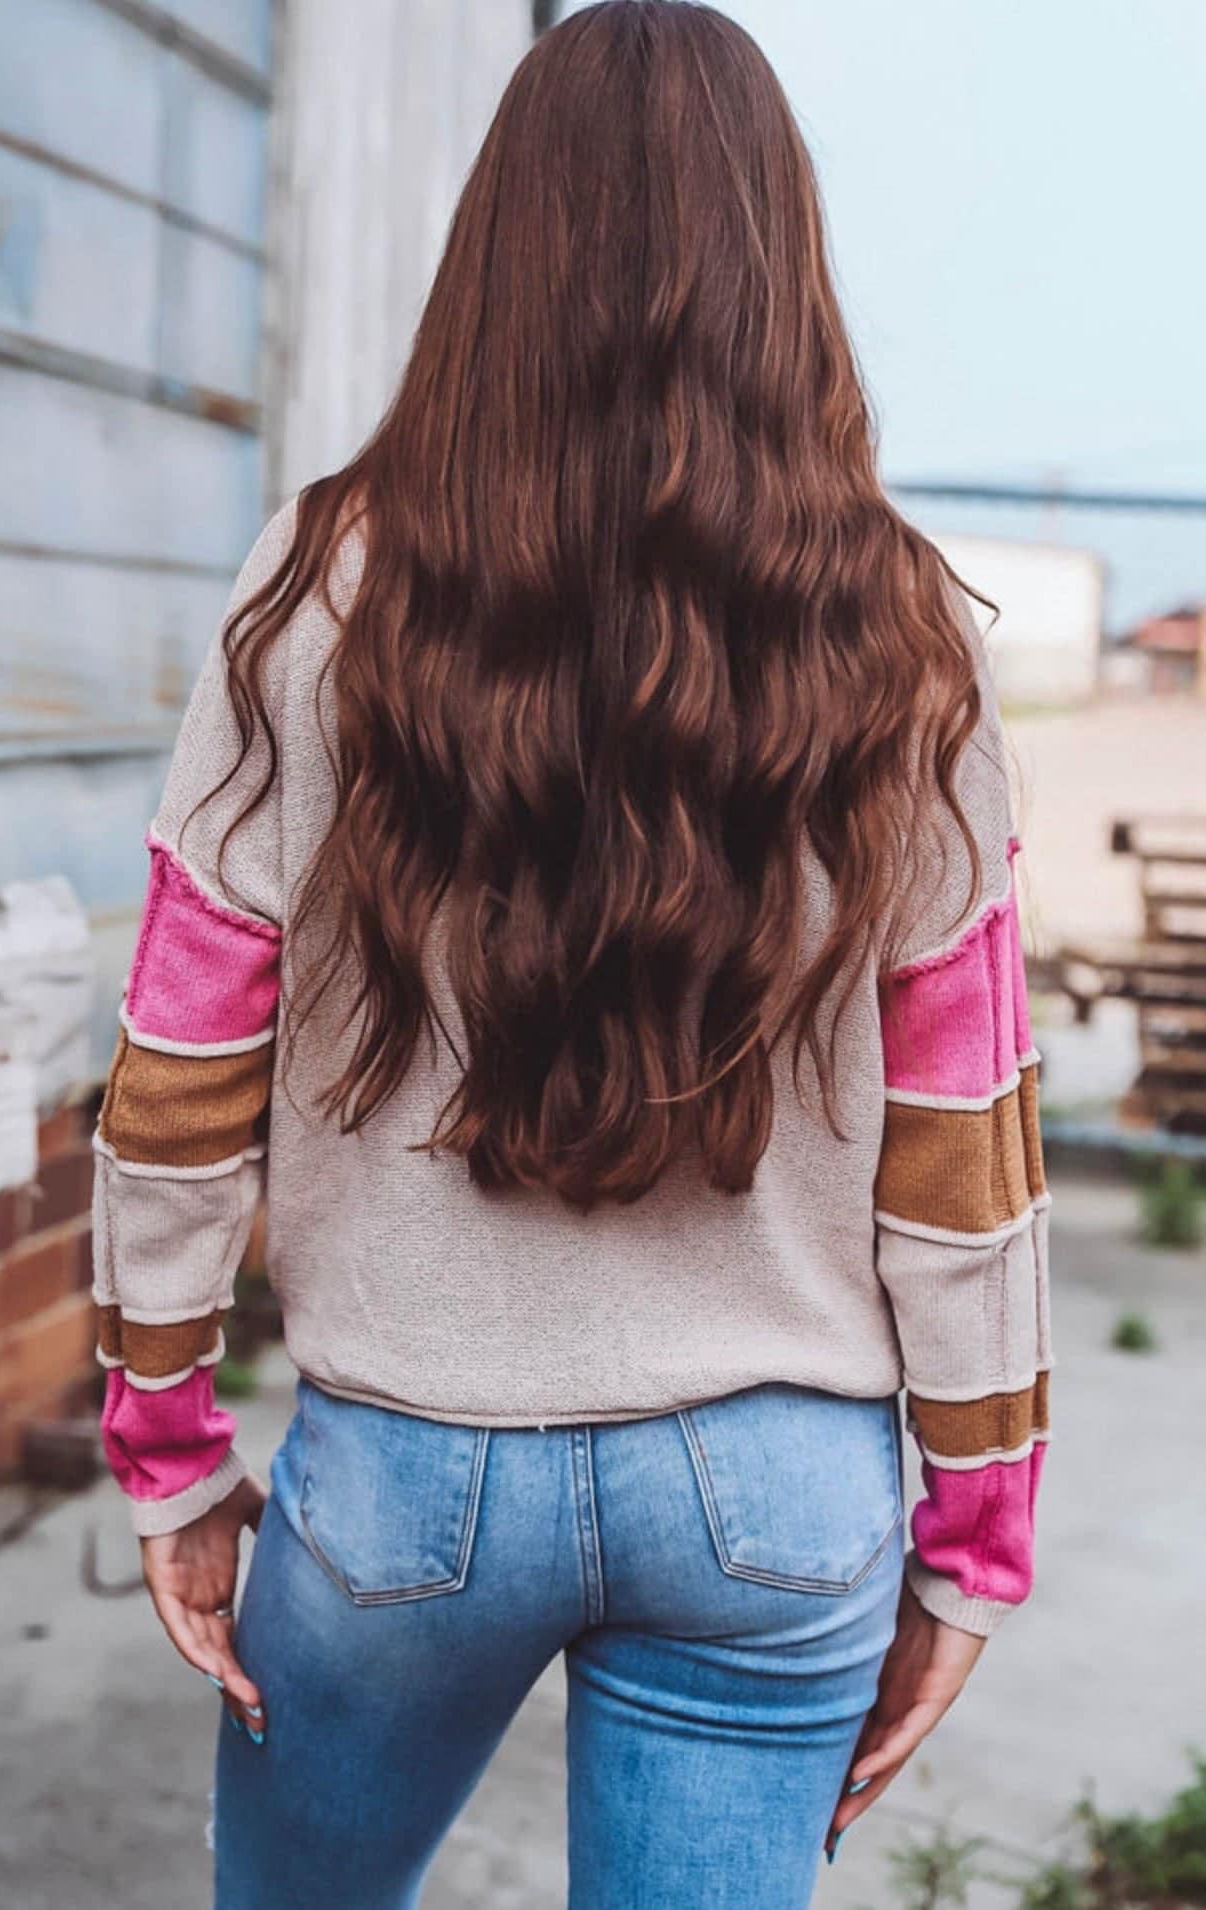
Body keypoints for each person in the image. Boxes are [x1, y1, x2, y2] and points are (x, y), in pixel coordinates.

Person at [90, 5, 1051, 1904]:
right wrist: (973, 1539)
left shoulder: (316, 590)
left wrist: (171, 1445)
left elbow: (180, 1065)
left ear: (495, 259)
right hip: (776, 1494)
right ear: (784, 266)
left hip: (401, 1471)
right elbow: (965, 1140)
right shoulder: (906, 636)